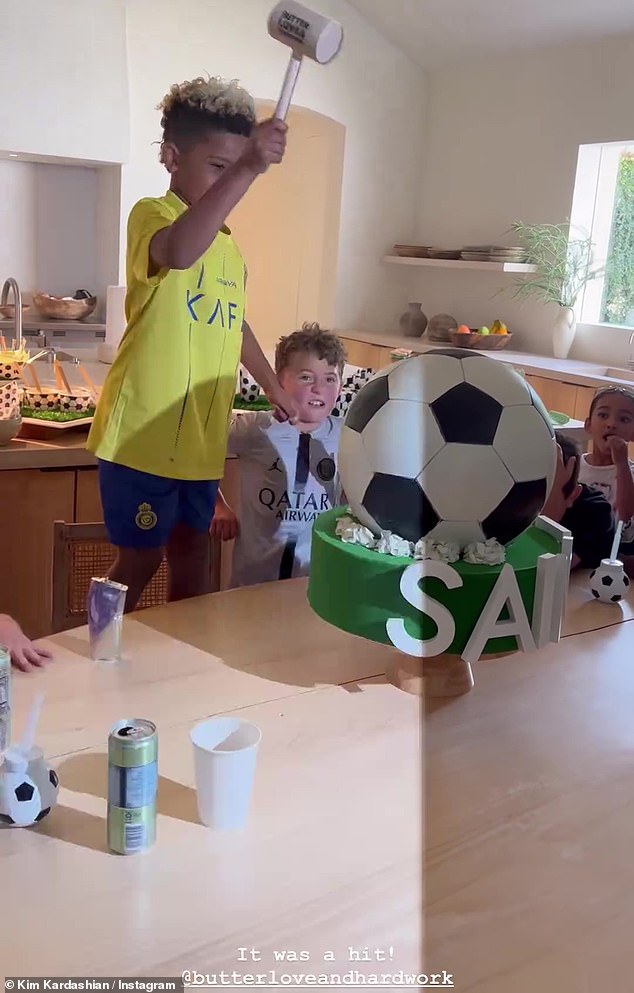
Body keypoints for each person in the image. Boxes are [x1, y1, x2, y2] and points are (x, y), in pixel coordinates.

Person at [87, 76, 297, 612]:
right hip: (142, 437)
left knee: (194, 555)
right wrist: (249, 166)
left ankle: (179, 675)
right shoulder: (152, 215)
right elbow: (178, 252)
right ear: (172, 157)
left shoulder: (228, 248)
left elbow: (235, 324)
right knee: (140, 560)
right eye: (217, 168)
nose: (228, 181)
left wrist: (273, 385)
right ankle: (99, 656)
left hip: (200, 448)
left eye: (234, 168)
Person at [212, 323, 346, 587]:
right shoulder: (255, 429)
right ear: (279, 380)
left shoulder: (349, 436)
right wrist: (216, 504)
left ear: (340, 387)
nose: (319, 389)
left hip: (313, 583)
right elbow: (201, 453)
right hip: (252, 582)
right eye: (306, 377)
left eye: (330, 378)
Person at [542, 431, 617, 570]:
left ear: (573, 495)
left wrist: (547, 516)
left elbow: (547, 573)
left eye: (545, 495)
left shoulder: (596, 512)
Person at [579, 385, 634, 548]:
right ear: (588, 425)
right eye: (603, 415)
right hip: (582, 541)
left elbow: (625, 514)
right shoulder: (576, 466)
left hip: (619, 545)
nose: (611, 424)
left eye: (623, 419)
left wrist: (622, 463)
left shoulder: (630, 472)